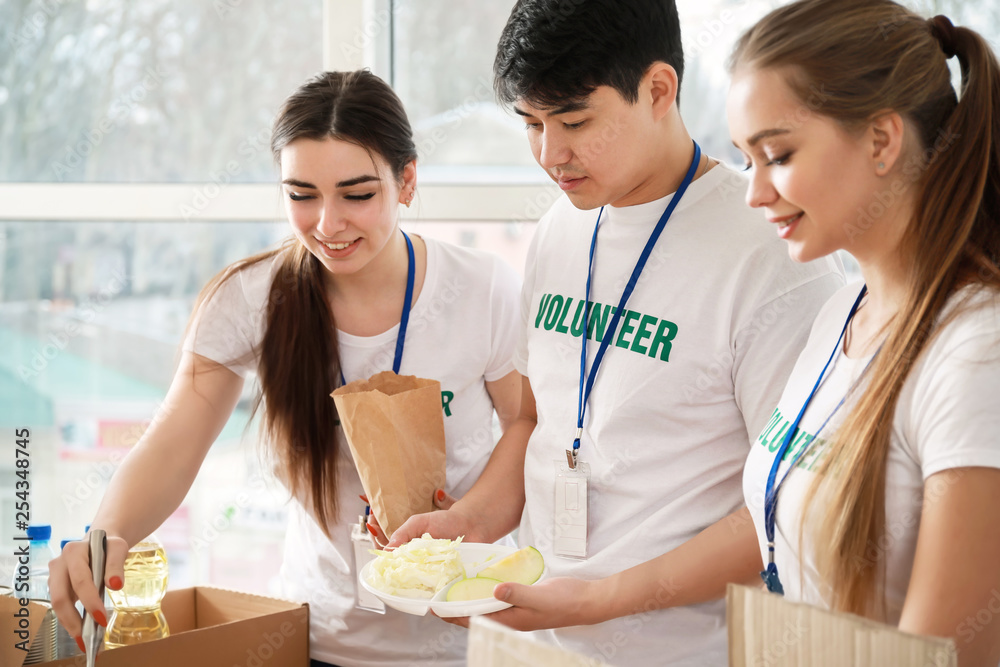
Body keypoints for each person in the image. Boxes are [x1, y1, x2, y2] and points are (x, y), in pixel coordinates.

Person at [408, 2, 1000, 666]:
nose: (551, 152)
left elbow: (939, 640)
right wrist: (472, 524)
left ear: (660, 91)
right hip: (550, 640)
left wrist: (602, 598)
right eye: (532, 125)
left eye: (777, 155)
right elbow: (544, 425)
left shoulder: (949, 337)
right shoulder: (848, 314)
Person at [47, 70, 523, 667]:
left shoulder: (483, 289)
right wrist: (106, 535)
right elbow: (174, 439)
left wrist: (468, 521)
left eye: (357, 194)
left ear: (407, 180)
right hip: (313, 640)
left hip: (471, 642)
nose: (327, 224)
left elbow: (526, 426)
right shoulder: (251, 298)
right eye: (302, 195)